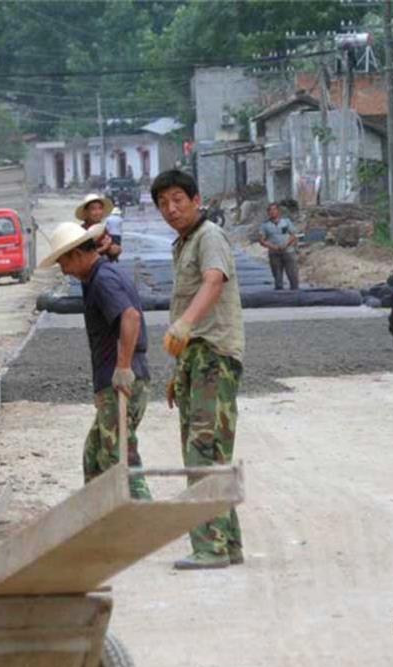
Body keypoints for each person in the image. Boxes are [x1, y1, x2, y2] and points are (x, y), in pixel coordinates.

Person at [152, 169, 245, 570]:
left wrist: (186, 324)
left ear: (195, 199)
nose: (171, 209)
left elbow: (213, 282)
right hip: (196, 359)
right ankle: (229, 544)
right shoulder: (185, 243)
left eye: (177, 199)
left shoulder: (209, 237)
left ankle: (210, 548)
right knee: (208, 450)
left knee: (202, 452)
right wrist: (179, 371)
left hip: (213, 356)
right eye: (162, 204)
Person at [39, 222, 152, 499]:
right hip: (109, 385)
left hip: (122, 382)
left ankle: (141, 519)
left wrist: (123, 367)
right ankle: (102, 522)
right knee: (94, 454)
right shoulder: (96, 278)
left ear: (77, 254)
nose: (63, 269)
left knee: (118, 458)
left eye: (63, 261)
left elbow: (130, 317)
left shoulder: (103, 280)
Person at [258, 202, 299, 290]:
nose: (272, 212)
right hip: (274, 254)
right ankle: (280, 299)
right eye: (270, 210)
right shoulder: (265, 225)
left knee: (293, 275)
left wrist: (286, 244)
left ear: (278, 211)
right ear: (267, 212)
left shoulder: (286, 222)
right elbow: (262, 240)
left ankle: (296, 296)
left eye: (274, 209)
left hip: (288, 252)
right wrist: (273, 247)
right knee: (277, 277)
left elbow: (293, 235)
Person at [75, 193, 121, 262]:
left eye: (100, 208)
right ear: (86, 212)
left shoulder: (103, 229)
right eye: (93, 209)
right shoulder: (82, 232)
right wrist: (103, 248)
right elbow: (82, 258)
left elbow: (111, 253)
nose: (98, 212)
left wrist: (115, 250)